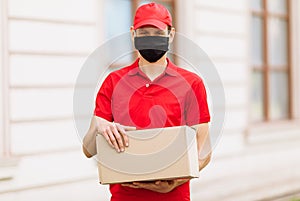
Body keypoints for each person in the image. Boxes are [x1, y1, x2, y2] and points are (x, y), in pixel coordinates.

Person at [82, 2, 211, 201]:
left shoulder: (192, 84)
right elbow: (88, 150)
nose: (150, 38)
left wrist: (173, 183)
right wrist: (98, 126)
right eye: (144, 33)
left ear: (171, 34)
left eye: (157, 33)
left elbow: (204, 151)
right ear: (133, 34)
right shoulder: (113, 83)